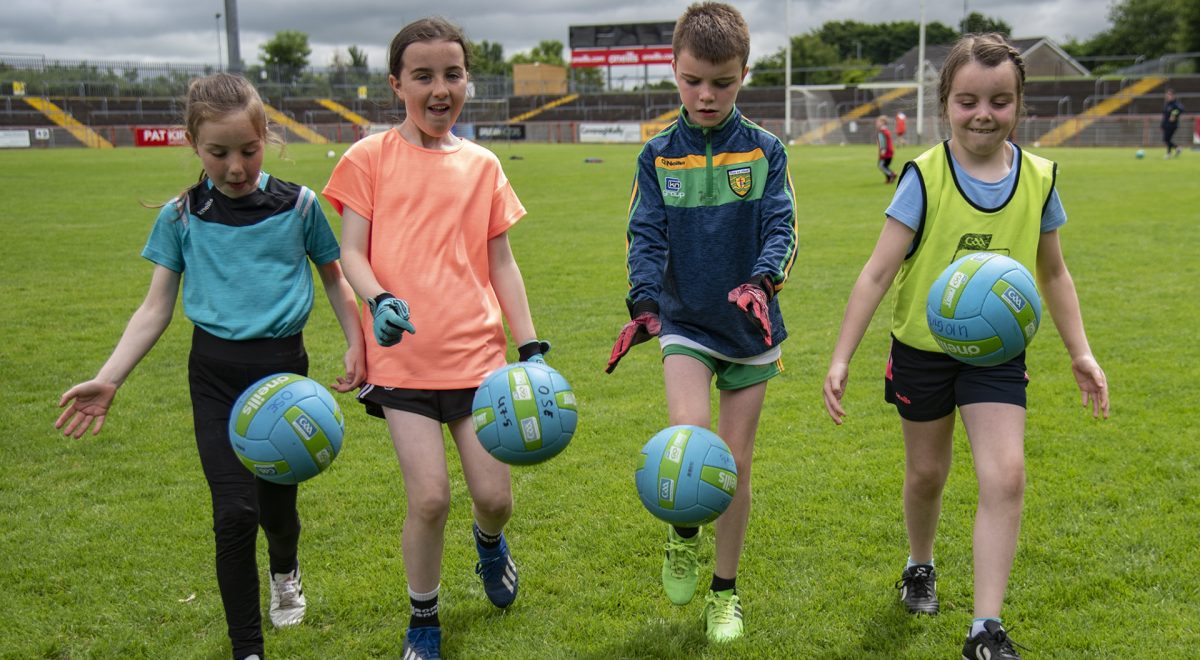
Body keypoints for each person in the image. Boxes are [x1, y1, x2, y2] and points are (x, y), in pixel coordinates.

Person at [54, 72, 365, 660]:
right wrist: (110, 377)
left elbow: (336, 280)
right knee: (233, 513)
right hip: (215, 380)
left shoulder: (298, 205)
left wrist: (357, 343)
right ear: (193, 146)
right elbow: (154, 309)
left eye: (247, 151)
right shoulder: (181, 216)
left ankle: (286, 571)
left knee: (276, 508)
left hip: (282, 382)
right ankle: (247, 648)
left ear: (266, 138)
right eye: (218, 153)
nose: (236, 167)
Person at [821, 34, 1109, 659]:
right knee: (927, 473)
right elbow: (877, 272)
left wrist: (1079, 351)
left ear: (1019, 104)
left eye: (1000, 101)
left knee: (1004, 475)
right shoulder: (923, 175)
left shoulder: (1039, 177)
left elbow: (1054, 272)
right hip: (922, 350)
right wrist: (842, 356)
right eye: (968, 100)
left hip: (998, 353)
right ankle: (919, 566)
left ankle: (985, 629)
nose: (984, 113)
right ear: (944, 104)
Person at [322, 17, 548, 660]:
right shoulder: (367, 158)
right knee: (428, 498)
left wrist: (528, 346)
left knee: (493, 497)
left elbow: (501, 262)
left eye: (451, 74)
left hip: (479, 362)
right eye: (423, 75)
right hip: (402, 363)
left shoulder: (483, 165)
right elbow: (351, 255)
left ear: (467, 82)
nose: (439, 88)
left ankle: (489, 543)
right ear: (397, 85)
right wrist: (379, 300)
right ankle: (423, 619)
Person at [605, 2, 797, 644]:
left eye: (722, 81)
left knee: (733, 466)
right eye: (692, 81)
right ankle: (682, 532)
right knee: (689, 441)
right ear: (674, 69)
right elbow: (645, 234)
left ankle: (725, 592)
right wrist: (643, 305)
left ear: (744, 72)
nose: (706, 95)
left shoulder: (766, 150)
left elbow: (783, 229)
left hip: (750, 328)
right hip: (685, 323)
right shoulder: (657, 154)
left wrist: (762, 282)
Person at [1162, 87, 1184, 158]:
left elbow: (1181, 109)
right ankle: (1174, 150)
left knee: (1166, 139)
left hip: (1172, 125)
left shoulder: (1175, 103)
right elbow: (1165, 115)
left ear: (1173, 95)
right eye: (1167, 94)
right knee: (1167, 139)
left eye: (1169, 94)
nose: (1167, 96)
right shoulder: (1167, 104)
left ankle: (1173, 150)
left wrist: (1174, 114)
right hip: (1166, 124)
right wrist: (1162, 125)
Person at [876, 115, 897, 183]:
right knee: (884, 165)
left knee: (881, 165)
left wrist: (882, 150)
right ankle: (888, 178)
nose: (877, 123)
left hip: (886, 152)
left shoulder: (882, 131)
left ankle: (891, 174)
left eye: (878, 122)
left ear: (883, 122)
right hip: (890, 151)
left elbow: (882, 141)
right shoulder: (886, 130)